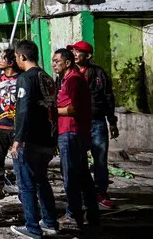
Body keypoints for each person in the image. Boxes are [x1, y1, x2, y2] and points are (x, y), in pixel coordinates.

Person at [9, 40, 59, 239]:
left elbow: (23, 110)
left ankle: (32, 228)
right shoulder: (47, 77)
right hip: (48, 138)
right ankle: (50, 222)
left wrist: (18, 139)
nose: (16, 60)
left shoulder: (25, 79)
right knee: (42, 182)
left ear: (22, 56)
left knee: (26, 184)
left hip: (30, 140)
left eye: (16, 57)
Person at [67, 40, 118, 209]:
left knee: (100, 160)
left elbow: (108, 97)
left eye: (78, 51)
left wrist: (112, 122)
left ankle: (100, 193)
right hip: (76, 122)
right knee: (77, 159)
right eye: (73, 51)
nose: (74, 54)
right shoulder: (68, 73)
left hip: (96, 121)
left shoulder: (98, 73)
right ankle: (83, 193)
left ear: (88, 56)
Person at [52, 49, 100, 228]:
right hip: (74, 133)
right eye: (53, 61)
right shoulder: (67, 80)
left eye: (57, 61)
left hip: (71, 132)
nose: (54, 64)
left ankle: (73, 214)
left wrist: (51, 111)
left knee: (70, 176)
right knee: (82, 174)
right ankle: (92, 212)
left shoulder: (73, 80)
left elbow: (73, 108)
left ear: (67, 63)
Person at [0, 48, 20, 199]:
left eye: (3, 58)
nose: (0, 61)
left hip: (17, 126)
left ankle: (23, 187)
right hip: (0, 125)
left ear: (11, 62)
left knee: (20, 159)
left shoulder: (22, 79)